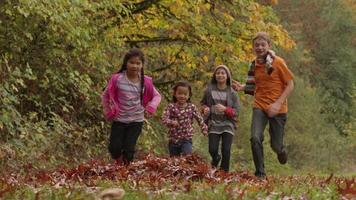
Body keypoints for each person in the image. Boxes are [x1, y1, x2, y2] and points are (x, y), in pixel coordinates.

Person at [232, 32, 294, 178]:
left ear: (269, 46)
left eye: (262, 45)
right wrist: (242, 87)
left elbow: (290, 84)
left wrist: (278, 104)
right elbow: (256, 85)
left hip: (278, 108)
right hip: (259, 105)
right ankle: (260, 174)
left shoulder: (277, 62)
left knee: (276, 146)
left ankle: (281, 150)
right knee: (255, 137)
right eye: (256, 45)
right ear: (253, 47)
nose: (259, 47)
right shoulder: (254, 64)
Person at [102, 48, 161, 165]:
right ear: (126, 63)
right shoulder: (117, 79)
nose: (134, 66)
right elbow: (105, 96)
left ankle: (125, 171)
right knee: (114, 148)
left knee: (129, 149)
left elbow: (157, 96)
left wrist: (151, 107)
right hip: (119, 119)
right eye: (132, 62)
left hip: (136, 121)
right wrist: (108, 111)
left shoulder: (145, 82)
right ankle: (118, 161)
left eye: (138, 63)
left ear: (142, 65)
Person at [201, 65, 240, 172]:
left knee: (226, 150)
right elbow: (203, 104)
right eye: (218, 73)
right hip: (213, 123)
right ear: (215, 76)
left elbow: (236, 113)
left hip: (228, 124)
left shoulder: (233, 93)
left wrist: (225, 109)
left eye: (223, 73)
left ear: (227, 76)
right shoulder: (209, 90)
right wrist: (205, 109)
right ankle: (216, 158)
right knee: (212, 149)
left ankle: (224, 173)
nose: (220, 75)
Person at [162, 81, 208, 156]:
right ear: (175, 94)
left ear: (189, 95)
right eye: (179, 93)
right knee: (174, 161)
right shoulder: (171, 107)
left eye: (185, 94)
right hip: (173, 139)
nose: (182, 96)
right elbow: (164, 119)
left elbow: (199, 119)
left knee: (187, 156)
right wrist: (171, 122)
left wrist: (204, 128)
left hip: (186, 138)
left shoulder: (191, 107)